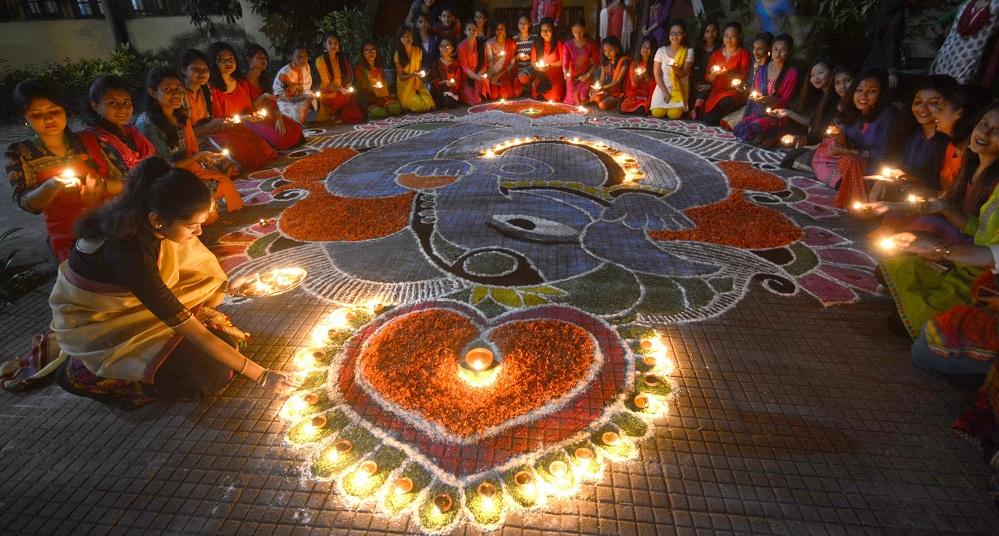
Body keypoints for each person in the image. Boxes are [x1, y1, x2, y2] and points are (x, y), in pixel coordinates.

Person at [52, 157, 297, 406]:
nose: (199, 233)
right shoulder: (131, 255)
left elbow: (193, 268)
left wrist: (229, 286)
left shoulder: (144, 218)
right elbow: (193, 331)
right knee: (211, 376)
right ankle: (87, 374)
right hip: (107, 328)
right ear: (157, 220)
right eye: (192, 227)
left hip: (139, 306)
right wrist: (263, 375)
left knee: (225, 347)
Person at [881, 105, 999, 341]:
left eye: (996, 131)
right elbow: (979, 227)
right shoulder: (972, 164)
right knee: (890, 268)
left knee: (912, 330)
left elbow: (990, 253)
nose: (984, 133)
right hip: (966, 258)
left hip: (983, 276)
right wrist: (941, 207)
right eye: (984, 124)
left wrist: (937, 247)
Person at [5, 79, 124, 263]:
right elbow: (27, 203)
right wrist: (52, 185)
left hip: (110, 223)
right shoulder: (19, 152)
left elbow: (127, 183)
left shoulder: (91, 140)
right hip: (68, 234)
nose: (48, 119)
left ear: (65, 111)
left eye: (54, 111)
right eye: (36, 114)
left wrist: (102, 186)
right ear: (25, 119)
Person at [135, 66, 243, 224]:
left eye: (178, 89)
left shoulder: (179, 116)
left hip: (187, 167)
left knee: (226, 173)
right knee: (208, 200)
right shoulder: (147, 124)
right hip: (165, 179)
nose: (176, 94)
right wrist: (198, 157)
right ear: (152, 92)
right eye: (167, 89)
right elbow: (166, 166)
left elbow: (190, 150)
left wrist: (203, 158)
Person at [811, 69, 898, 207]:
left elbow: (885, 155)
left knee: (850, 160)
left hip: (880, 170)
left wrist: (847, 151)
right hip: (855, 165)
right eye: (858, 90)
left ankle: (863, 200)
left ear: (881, 94)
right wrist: (839, 138)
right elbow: (846, 144)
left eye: (872, 91)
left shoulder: (888, 115)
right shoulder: (852, 111)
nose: (863, 95)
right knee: (823, 158)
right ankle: (855, 194)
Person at [207, 42, 303, 153]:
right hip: (240, 122)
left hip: (258, 116)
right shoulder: (232, 83)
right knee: (273, 141)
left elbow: (264, 105)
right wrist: (263, 100)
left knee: (295, 127)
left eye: (230, 59)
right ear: (249, 60)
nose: (264, 61)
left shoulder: (246, 82)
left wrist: (278, 117)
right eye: (259, 57)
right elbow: (247, 109)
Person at [732, 33, 799, 145]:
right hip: (759, 111)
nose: (778, 53)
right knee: (740, 127)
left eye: (783, 50)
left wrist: (771, 100)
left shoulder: (792, 73)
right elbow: (756, 92)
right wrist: (755, 98)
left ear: (789, 52)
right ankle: (763, 134)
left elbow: (786, 99)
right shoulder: (762, 69)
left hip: (776, 113)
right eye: (775, 49)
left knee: (757, 126)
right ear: (771, 50)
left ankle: (774, 133)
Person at [86, 75, 156, 173]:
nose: (122, 109)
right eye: (113, 103)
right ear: (95, 106)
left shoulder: (132, 131)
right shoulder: (97, 140)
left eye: (126, 103)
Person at [932, 0, 999, 85]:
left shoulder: (967, 3)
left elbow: (938, 24)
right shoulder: (967, 4)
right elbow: (938, 24)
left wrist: (944, 42)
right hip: (961, 59)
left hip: (953, 58)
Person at [719, 31, 772, 130]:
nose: (756, 52)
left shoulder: (769, 69)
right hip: (750, 101)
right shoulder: (754, 64)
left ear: (769, 49)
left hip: (763, 105)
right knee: (725, 123)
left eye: (760, 49)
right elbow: (750, 87)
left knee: (743, 126)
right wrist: (742, 86)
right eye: (754, 48)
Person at [701, 22, 750, 125]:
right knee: (708, 120)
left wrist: (727, 72)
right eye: (726, 35)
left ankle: (733, 118)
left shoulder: (743, 54)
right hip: (716, 92)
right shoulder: (716, 54)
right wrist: (714, 74)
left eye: (732, 36)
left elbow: (744, 76)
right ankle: (726, 119)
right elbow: (708, 77)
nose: (729, 39)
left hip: (734, 92)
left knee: (726, 102)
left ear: (739, 37)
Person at [860, 0, 912, 89]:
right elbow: (890, 42)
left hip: (871, 61)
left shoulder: (881, 16)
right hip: (884, 64)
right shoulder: (897, 16)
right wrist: (891, 71)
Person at [315, 33, 364, 124]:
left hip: (341, 91)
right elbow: (327, 84)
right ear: (325, 45)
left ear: (339, 45)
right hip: (328, 92)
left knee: (353, 98)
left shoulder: (342, 59)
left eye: (335, 43)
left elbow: (348, 77)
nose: (333, 45)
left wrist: (346, 88)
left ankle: (338, 113)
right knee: (345, 96)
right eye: (330, 43)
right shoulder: (320, 60)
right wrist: (340, 89)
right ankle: (334, 113)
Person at [650, 21, 693, 119]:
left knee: (673, 115)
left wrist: (674, 67)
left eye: (678, 33)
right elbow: (657, 74)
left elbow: (682, 74)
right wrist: (665, 92)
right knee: (657, 113)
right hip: (662, 87)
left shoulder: (688, 52)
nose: (675, 36)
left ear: (684, 35)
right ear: (669, 35)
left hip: (678, 88)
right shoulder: (661, 51)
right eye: (672, 33)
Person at [354, 41, 404, 119]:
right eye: (367, 50)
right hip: (369, 100)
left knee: (396, 109)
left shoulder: (379, 67)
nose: (370, 52)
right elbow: (363, 88)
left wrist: (387, 91)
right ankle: (372, 111)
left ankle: (385, 108)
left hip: (383, 97)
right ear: (363, 54)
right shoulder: (360, 69)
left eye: (373, 49)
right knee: (380, 113)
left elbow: (385, 84)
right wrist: (373, 86)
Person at [394, 26, 436, 113]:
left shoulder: (418, 51)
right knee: (420, 106)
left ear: (412, 36)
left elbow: (418, 70)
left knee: (430, 104)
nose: (407, 38)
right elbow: (401, 77)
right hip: (405, 88)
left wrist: (421, 73)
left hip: (417, 83)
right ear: (400, 39)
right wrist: (413, 74)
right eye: (404, 37)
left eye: (408, 35)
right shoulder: (398, 54)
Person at [273, 44, 317, 124]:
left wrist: (299, 89)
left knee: (310, 94)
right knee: (294, 110)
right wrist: (298, 92)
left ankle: (302, 120)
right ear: (291, 57)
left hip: (298, 95)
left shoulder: (306, 66)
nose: (303, 59)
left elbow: (307, 84)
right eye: (299, 56)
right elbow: (284, 95)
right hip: (284, 100)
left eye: (305, 56)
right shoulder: (285, 73)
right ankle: (298, 122)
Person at [562, 20, 600, 106]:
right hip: (572, 76)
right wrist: (566, 72)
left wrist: (587, 75)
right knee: (572, 100)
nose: (578, 35)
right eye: (575, 32)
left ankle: (589, 97)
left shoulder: (591, 44)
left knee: (583, 96)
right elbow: (565, 62)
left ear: (585, 29)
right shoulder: (568, 45)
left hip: (586, 75)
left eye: (581, 31)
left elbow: (596, 63)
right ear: (572, 31)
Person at [688, 19, 720, 118]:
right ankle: (696, 110)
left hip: (716, 84)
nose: (710, 34)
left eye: (713, 31)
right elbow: (693, 71)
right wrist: (698, 84)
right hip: (699, 84)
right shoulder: (696, 50)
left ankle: (696, 110)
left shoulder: (721, 49)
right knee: (701, 91)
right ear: (703, 33)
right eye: (707, 31)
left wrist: (710, 85)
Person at [531, 17, 565, 102]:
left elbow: (562, 61)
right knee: (536, 93)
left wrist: (550, 65)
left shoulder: (558, 44)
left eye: (548, 30)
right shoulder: (537, 44)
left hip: (555, 74)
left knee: (555, 96)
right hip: (542, 74)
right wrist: (538, 68)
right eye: (543, 30)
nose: (545, 33)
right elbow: (533, 62)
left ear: (553, 31)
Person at [590, 36, 629, 110]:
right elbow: (602, 80)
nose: (607, 54)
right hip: (606, 91)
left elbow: (617, 81)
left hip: (617, 92)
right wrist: (597, 88)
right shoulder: (605, 61)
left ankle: (618, 101)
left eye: (610, 50)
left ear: (617, 49)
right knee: (593, 98)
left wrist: (602, 88)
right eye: (605, 51)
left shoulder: (624, 61)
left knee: (602, 105)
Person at [620, 36, 655, 114]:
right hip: (635, 94)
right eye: (644, 46)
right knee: (624, 107)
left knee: (644, 106)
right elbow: (634, 86)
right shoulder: (634, 64)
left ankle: (640, 108)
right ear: (640, 48)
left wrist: (646, 75)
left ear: (652, 50)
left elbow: (652, 85)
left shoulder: (653, 65)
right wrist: (636, 77)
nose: (645, 50)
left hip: (647, 95)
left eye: (648, 48)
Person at [485, 22, 518, 100]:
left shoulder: (511, 43)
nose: (500, 31)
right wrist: (497, 57)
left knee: (505, 95)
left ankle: (501, 84)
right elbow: (489, 63)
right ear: (494, 31)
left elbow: (512, 64)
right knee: (494, 95)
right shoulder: (489, 43)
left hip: (505, 73)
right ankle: (494, 83)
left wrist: (499, 75)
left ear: (505, 30)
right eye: (497, 29)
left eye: (502, 29)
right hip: (492, 73)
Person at [458, 22, 489, 105]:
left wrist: (480, 73)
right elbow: (465, 68)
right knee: (474, 101)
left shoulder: (482, 45)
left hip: (478, 74)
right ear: (465, 32)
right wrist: (476, 77)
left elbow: (485, 63)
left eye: (474, 30)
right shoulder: (461, 46)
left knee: (479, 98)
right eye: (469, 29)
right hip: (466, 78)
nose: (472, 32)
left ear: (477, 31)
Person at [428, 38, 463, 109]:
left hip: (452, 91)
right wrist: (444, 82)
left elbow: (458, 80)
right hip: (439, 91)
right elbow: (433, 81)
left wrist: (454, 84)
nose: (445, 48)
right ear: (439, 48)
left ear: (452, 48)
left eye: (447, 46)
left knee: (451, 100)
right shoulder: (436, 63)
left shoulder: (456, 64)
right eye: (442, 46)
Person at [514, 15, 537, 97]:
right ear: (517, 24)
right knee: (517, 93)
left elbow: (538, 54)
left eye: (525, 23)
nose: (523, 25)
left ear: (529, 24)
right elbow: (511, 58)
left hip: (531, 68)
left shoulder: (534, 38)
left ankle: (530, 84)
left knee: (524, 78)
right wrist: (518, 57)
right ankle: (525, 86)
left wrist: (531, 57)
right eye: (521, 23)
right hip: (519, 69)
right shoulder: (514, 39)